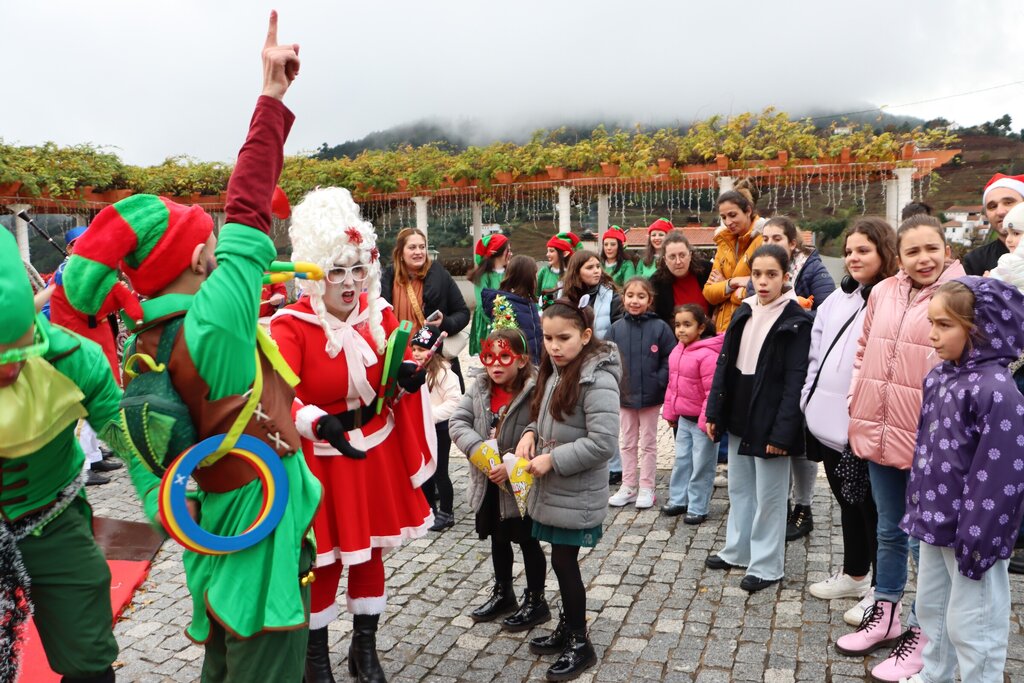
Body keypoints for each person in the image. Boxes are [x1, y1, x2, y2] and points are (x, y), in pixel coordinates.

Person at [63, 14, 324, 682]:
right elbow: (249, 209)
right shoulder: (216, 316)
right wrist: (270, 99)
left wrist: (169, 506)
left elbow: (140, 448)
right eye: (210, 238)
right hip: (258, 542)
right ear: (201, 253)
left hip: (214, 529)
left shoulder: (144, 337)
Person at [270, 187, 436, 683]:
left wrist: (408, 375)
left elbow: (393, 367)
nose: (348, 283)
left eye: (357, 269)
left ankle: (365, 649)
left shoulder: (378, 314)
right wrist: (314, 421)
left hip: (373, 449)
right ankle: (314, 657)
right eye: (336, 271)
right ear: (314, 275)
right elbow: (280, 396)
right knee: (323, 559)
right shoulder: (290, 326)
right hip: (320, 456)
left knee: (370, 552)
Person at [836, 215, 965, 683]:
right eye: (912, 252)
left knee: (924, 543)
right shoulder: (884, 290)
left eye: (931, 249)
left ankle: (924, 631)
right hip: (878, 427)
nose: (923, 259)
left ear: (946, 249)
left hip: (930, 438)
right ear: (900, 256)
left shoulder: (962, 294)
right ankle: (885, 611)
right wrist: (855, 397)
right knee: (889, 529)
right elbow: (864, 345)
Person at [0, 228, 123, 683]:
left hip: (51, 515)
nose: (9, 369)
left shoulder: (74, 358)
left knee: (88, 653)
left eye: (18, 350)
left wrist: (167, 487)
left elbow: (128, 435)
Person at [901, 277, 1024, 683]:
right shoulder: (940, 377)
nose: (932, 335)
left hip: (973, 533)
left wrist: (980, 536)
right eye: (931, 323)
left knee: (975, 623)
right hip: (935, 519)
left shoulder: (997, 391)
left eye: (944, 325)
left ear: (980, 328)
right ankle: (932, 674)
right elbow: (930, 448)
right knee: (934, 608)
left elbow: (1000, 473)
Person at [515, 300, 620, 682]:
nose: (554, 345)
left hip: (575, 491)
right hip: (554, 490)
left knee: (564, 563)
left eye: (564, 338)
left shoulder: (597, 378)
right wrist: (529, 435)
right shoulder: (557, 370)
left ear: (585, 336)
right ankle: (567, 627)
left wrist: (553, 460)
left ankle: (580, 641)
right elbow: (542, 414)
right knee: (561, 562)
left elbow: (603, 443)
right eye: (547, 338)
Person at [801, 218, 898, 626]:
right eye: (851, 250)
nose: (855, 257)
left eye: (865, 250)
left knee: (873, 509)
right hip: (825, 422)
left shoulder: (892, 299)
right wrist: (808, 399)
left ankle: (881, 588)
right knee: (846, 502)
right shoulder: (837, 300)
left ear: (884, 253)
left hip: (862, 425)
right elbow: (816, 351)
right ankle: (855, 573)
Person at [703, 244, 813, 594]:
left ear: (786, 277)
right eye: (757, 274)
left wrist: (783, 433)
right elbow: (725, 364)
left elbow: (796, 380)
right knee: (740, 486)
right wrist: (715, 411)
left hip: (770, 413)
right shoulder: (744, 311)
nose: (763, 282)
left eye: (771, 275)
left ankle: (766, 564)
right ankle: (738, 549)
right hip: (740, 407)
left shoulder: (796, 320)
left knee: (770, 493)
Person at [448, 328, 549, 632]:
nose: (496, 364)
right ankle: (504, 592)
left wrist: (515, 463)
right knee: (497, 537)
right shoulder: (478, 387)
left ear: (521, 360)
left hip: (521, 484)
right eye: (489, 357)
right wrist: (480, 451)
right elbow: (458, 422)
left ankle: (536, 600)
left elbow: (543, 427)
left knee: (528, 540)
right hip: (489, 480)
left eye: (505, 356)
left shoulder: (535, 389)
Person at [754, 216, 836, 541]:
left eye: (777, 236)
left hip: (803, 360)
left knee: (800, 441)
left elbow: (829, 311)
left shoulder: (813, 270)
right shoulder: (762, 269)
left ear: (792, 243)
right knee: (776, 434)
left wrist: (793, 313)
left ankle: (803, 506)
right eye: (765, 237)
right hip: (771, 361)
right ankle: (781, 503)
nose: (770, 242)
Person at [606, 277, 674, 509]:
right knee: (627, 442)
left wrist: (660, 380)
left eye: (641, 296)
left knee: (648, 443)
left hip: (650, 396)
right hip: (625, 396)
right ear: (623, 298)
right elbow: (607, 358)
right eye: (631, 296)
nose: (635, 301)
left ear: (649, 300)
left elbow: (669, 357)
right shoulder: (616, 329)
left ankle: (647, 487)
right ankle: (628, 485)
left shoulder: (660, 327)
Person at [381, 227, 471, 389]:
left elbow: (463, 313)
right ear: (400, 252)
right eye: (412, 247)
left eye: (422, 247)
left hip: (433, 361)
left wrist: (445, 322)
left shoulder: (440, 277)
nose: (419, 252)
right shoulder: (386, 280)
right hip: (399, 359)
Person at [661, 304, 723, 523]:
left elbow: (712, 391)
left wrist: (708, 419)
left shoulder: (706, 355)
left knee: (702, 464)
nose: (681, 330)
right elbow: (672, 385)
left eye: (687, 325)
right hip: (684, 420)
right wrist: (670, 411)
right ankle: (679, 499)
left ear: (701, 327)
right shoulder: (677, 350)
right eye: (678, 325)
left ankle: (698, 505)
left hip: (702, 422)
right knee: (682, 460)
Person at [410, 325, 462, 532]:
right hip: (421, 427)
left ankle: (447, 512)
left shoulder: (444, 374)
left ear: (433, 350)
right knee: (425, 470)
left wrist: (429, 416)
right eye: (414, 349)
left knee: (440, 471)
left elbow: (454, 401)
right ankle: (429, 508)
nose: (416, 354)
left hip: (439, 428)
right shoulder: (414, 371)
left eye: (421, 350)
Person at [703, 190, 764, 333]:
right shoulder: (723, 244)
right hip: (722, 330)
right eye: (723, 217)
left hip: (750, 326)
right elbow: (709, 293)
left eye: (732, 215)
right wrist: (733, 283)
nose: (727, 222)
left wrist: (724, 286)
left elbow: (762, 291)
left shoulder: (764, 240)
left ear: (748, 210)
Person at [481, 254, 543, 364]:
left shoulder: (529, 303)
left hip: (535, 365)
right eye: (534, 275)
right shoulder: (505, 306)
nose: (536, 278)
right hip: (519, 368)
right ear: (527, 277)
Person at [962, 173, 1024, 276]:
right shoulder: (975, 261)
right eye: (992, 206)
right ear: (986, 215)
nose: (1000, 211)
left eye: (1008, 202)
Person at [650, 231, 711, 325]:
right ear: (665, 260)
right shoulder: (656, 283)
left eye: (682, 255)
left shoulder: (708, 271)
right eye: (672, 257)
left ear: (690, 255)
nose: (678, 261)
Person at [561, 250, 623, 340]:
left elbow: (618, 331)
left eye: (598, 266)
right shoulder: (563, 296)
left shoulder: (612, 297)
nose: (596, 271)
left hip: (602, 351)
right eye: (590, 268)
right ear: (577, 272)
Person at [468, 233, 511, 355]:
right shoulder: (483, 276)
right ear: (498, 252)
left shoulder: (510, 272)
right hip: (489, 320)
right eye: (508, 250)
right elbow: (481, 302)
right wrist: (495, 322)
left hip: (509, 318)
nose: (510, 253)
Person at [537, 232, 579, 309]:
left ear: (564, 254)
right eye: (548, 251)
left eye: (551, 251)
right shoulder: (544, 271)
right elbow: (536, 295)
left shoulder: (572, 274)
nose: (547, 254)